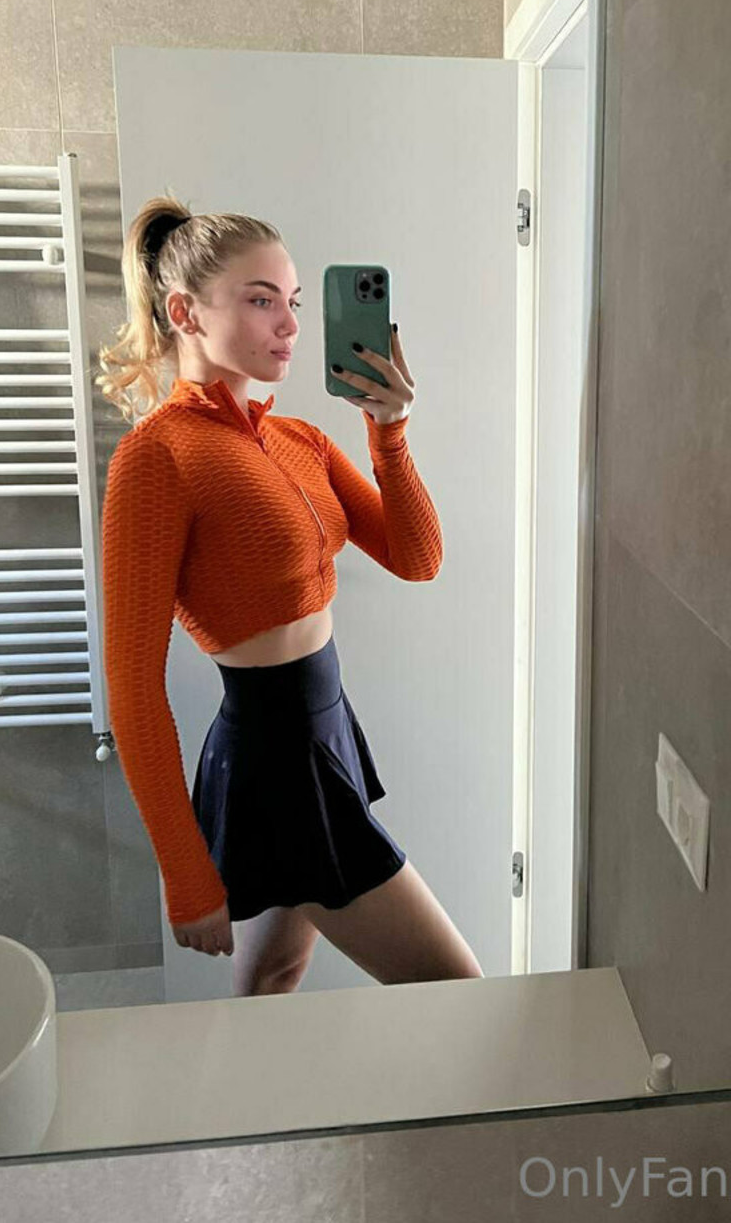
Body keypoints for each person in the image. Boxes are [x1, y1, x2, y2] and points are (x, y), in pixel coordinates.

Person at [96, 191, 483, 995]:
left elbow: (418, 558)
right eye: (261, 300)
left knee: (274, 973)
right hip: (275, 756)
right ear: (185, 313)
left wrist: (389, 430)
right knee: (455, 986)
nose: (290, 325)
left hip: (324, 725)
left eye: (295, 302)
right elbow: (132, 685)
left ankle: (238, 1086)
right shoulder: (156, 457)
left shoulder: (296, 438)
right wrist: (185, 873)